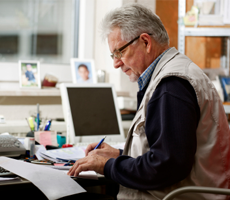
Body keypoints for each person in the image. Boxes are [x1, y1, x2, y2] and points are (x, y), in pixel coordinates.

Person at [68, 4, 230, 200]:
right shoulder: (172, 75)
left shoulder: (171, 86)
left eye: (119, 52)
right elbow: (165, 154)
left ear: (145, 42)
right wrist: (120, 155)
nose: (116, 63)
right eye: (113, 55)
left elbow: (166, 166)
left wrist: (108, 166)